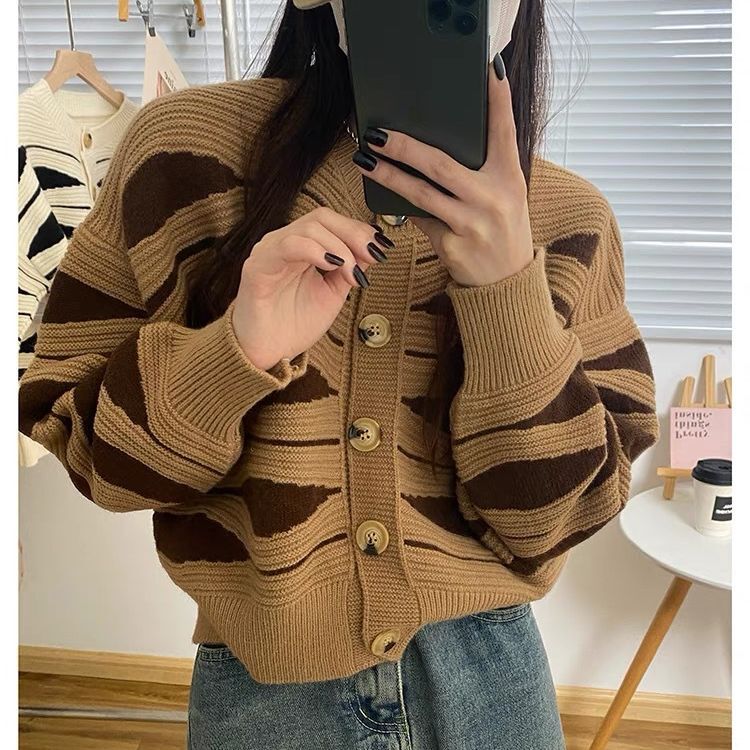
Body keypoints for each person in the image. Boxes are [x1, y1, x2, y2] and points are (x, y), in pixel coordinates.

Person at [18, 0, 660, 748]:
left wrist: (508, 294)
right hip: (264, 694)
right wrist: (234, 352)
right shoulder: (183, 157)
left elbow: (552, 523)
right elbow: (96, 459)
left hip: (490, 687)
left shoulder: (571, 220)